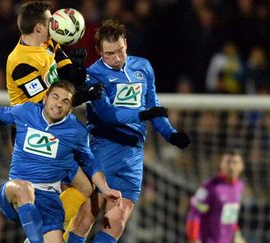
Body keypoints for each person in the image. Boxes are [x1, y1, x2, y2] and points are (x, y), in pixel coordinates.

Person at [65, 19, 191, 243]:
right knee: (86, 216)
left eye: (120, 51)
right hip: (104, 149)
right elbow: (107, 114)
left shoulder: (143, 67)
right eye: (109, 54)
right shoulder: (93, 74)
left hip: (133, 155)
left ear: (126, 44)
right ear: (99, 52)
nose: (117, 58)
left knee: (117, 221)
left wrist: (170, 134)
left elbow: (154, 105)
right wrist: (143, 115)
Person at [0, 80, 122, 243]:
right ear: (45, 99)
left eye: (65, 101)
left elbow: (90, 163)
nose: (58, 104)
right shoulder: (26, 111)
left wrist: (105, 188)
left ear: (70, 108)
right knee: (24, 188)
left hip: (48, 201)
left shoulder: (76, 131)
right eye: (55, 97)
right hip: (14, 192)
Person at [5, 1, 102, 231]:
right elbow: (50, 105)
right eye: (50, 20)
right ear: (39, 27)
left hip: (55, 126)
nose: (55, 22)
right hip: (32, 135)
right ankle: (45, 232)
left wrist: (78, 69)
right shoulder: (21, 62)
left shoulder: (48, 42)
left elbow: (67, 76)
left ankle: (49, 233)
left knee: (86, 189)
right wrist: (85, 95)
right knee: (68, 192)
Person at [186, 150, 245, 243]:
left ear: (242, 166)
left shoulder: (239, 187)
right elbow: (194, 213)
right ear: (221, 164)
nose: (231, 166)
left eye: (235, 162)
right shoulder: (209, 186)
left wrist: (237, 234)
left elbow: (230, 217)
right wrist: (193, 239)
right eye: (228, 162)